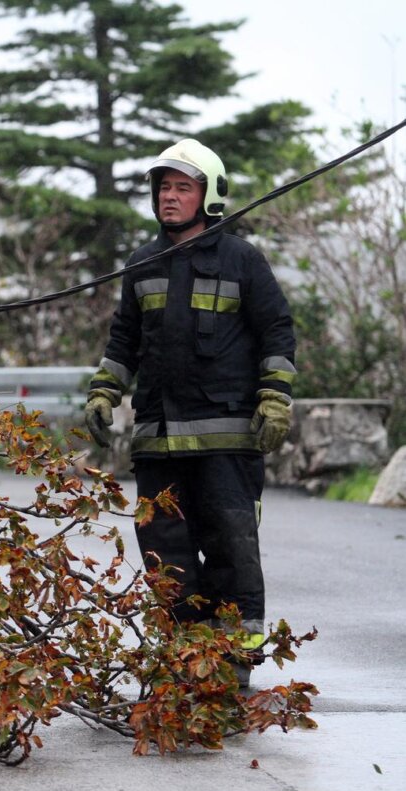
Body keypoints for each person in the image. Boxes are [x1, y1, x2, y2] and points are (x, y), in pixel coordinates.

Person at [83, 138, 296, 687]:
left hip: (227, 441)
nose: (170, 198)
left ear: (210, 195)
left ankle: (231, 669)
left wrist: (274, 398)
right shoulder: (141, 264)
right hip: (157, 440)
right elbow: (124, 338)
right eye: (164, 188)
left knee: (232, 554)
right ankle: (184, 667)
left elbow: (277, 330)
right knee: (166, 561)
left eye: (183, 187)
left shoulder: (243, 260)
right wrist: (104, 391)